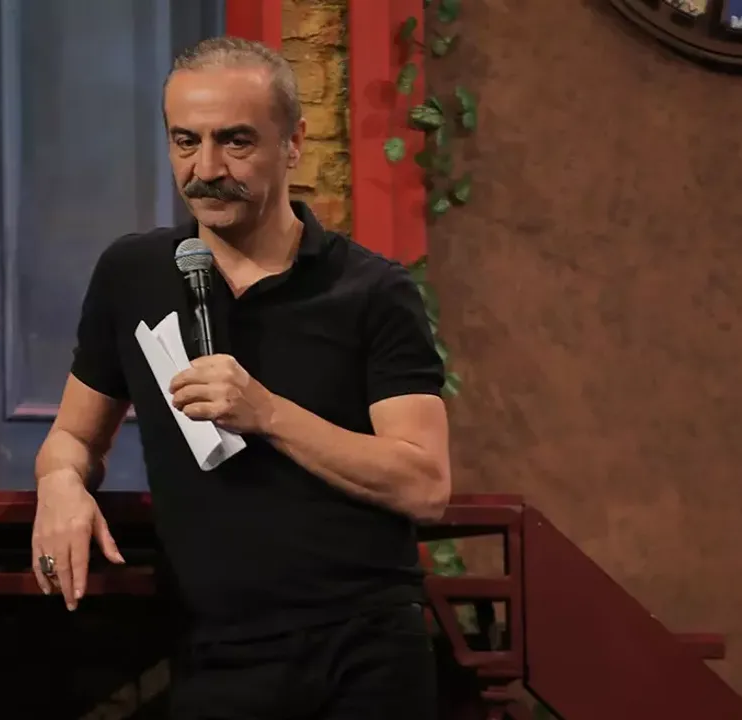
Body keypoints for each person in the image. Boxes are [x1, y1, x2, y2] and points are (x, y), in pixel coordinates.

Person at [31, 36, 452, 719]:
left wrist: (268, 413)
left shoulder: (371, 292)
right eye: (185, 141)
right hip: (214, 652)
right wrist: (58, 485)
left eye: (235, 141)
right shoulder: (132, 276)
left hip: (363, 649)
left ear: (294, 143)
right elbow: (74, 439)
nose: (206, 169)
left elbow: (425, 485)